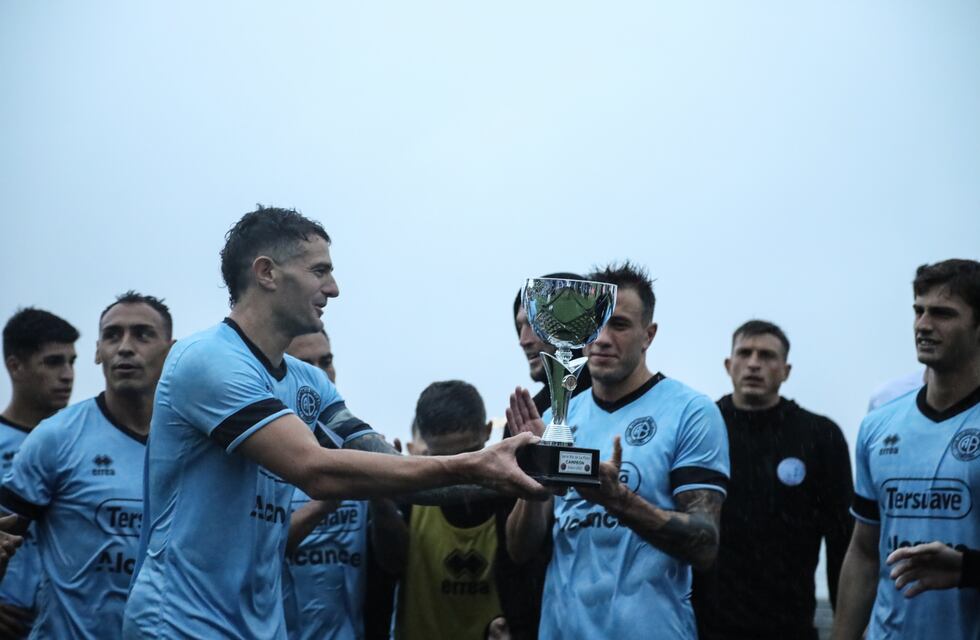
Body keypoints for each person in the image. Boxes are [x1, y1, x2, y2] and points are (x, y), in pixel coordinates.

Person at [122, 206, 547, 640]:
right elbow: (316, 470)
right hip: (178, 622)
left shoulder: (308, 382)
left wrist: (517, 472)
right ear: (267, 273)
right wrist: (474, 465)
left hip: (259, 627)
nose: (334, 288)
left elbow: (395, 470)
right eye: (319, 270)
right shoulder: (208, 359)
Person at [506, 262, 730, 640]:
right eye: (596, 325)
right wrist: (538, 480)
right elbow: (519, 549)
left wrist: (618, 500)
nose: (603, 339)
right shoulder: (556, 418)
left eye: (620, 325)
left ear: (649, 334)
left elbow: (705, 545)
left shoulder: (690, 411)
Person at [0, 292, 174, 639]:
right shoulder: (57, 437)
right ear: (98, 351)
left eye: (142, 334)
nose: (125, 347)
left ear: (171, 351)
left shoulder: (194, 441)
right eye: (112, 335)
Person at [832, 259, 980, 640]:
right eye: (919, 310)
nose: (923, 325)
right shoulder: (879, 425)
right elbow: (864, 552)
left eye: (943, 314)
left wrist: (968, 569)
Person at [692, 320, 853, 640]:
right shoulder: (699, 428)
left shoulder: (820, 436)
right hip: (704, 624)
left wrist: (848, 628)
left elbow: (843, 542)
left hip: (788, 623)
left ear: (786, 370)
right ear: (729, 364)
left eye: (766, 356)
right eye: (745, 353)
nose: (754, 363)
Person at [386, 380, 512, 640]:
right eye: (445, 463)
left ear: (488, 431)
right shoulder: (409, 497)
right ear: (424, 446)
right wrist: (381, 501)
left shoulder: (511, 497)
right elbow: (389, 564)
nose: (460, 474)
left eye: (469, 456)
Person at [281, 329, 370, 640]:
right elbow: (254, 553)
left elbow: (395, 560)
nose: (319, 374)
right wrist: (325, 502)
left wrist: (385, 499)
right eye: (305, 364)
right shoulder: (259, 456)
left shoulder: (359, 452)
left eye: (326, 361)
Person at [0, 308, 79, 636]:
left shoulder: (82, 445)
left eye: (72, 362)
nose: (67, 374)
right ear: (15, 365)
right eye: (53, 362)